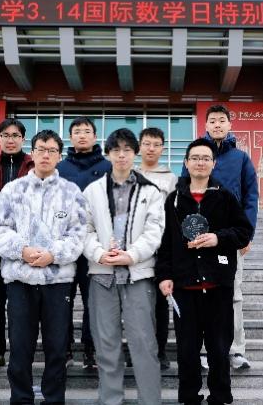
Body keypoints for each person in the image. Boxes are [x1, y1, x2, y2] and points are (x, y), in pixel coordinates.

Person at [0, 129, 88, 405]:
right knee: (20, 346)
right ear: (32, 154)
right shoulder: (13, 190)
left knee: (57, 347)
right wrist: (22, 250)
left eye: (52, 150)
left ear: (59, 156)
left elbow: (79, 233)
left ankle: (54, 399)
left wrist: (53, 255)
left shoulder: (71, 192)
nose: (46, 155)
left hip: (58, 282)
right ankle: (21, 398)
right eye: (41, 149)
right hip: (20, 280)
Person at [157, 138, 253, 405]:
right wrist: (164, 275)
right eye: (195, 158)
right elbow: (165, 242)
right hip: (185, 288)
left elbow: (243, 232)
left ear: (213, 164)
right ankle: (189, 397)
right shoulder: (174, 200)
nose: (200, 162)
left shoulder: (225, 197)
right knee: (187, 350)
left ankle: (220, 396)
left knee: (219, 349)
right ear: (186, 163)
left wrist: (217, 238)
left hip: (218, 287)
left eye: (206, 158)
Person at [83, 128, 164, 405]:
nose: (121, 155)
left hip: (137, 276)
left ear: (135, 154)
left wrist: (132, 255)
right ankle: (111, 400)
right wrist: (99, 254)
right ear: (107, 154)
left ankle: (150, 401)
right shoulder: (92, 191)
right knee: (106, 345)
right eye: (116, 150)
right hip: (102, 275)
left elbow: (154, 231)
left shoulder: (150, 191)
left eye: (127, 150)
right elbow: (84, 229)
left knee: (144, 343)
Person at [182, 104, 258, 370]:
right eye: (212, 120)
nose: (217, 124)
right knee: (203, 293)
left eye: (221, 120)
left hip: (230, 236)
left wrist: (246, 234)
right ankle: (205, 350)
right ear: (206, 125)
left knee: (233, 294)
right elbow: (184, 193)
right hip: (200, 238)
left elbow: (251, 197)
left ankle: (235, 350)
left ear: (229, 125)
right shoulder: (196, 154)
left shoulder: (241, 159)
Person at [57, 116, 111, 370]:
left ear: (94, 136)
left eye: (86, 131)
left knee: (94, 301)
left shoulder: (107, 166)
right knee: (62, 301)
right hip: (65, 246)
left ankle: (91, 349)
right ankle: (65, 348)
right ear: (70, 137)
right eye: (77, 131)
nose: (81, 135)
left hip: (95, 246)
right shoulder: (60, 168)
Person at [0, 118, 34, 369]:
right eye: (6, 135)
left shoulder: (32, 166)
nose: (10, 140)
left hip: (26, 245)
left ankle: (22, 351)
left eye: (15, 135)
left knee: (22, 303)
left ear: (22, 139)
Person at [134, 127, 177, 370]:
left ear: (162, 148)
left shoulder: (171, 179)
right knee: (135, 303)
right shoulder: (129, 174)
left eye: (156, 144)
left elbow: (173, 215)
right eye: (147, 144)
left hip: (161, 249)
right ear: (139, 147)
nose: (151, 148)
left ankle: (159, 351)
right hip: (134, 249)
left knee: (160, 304)